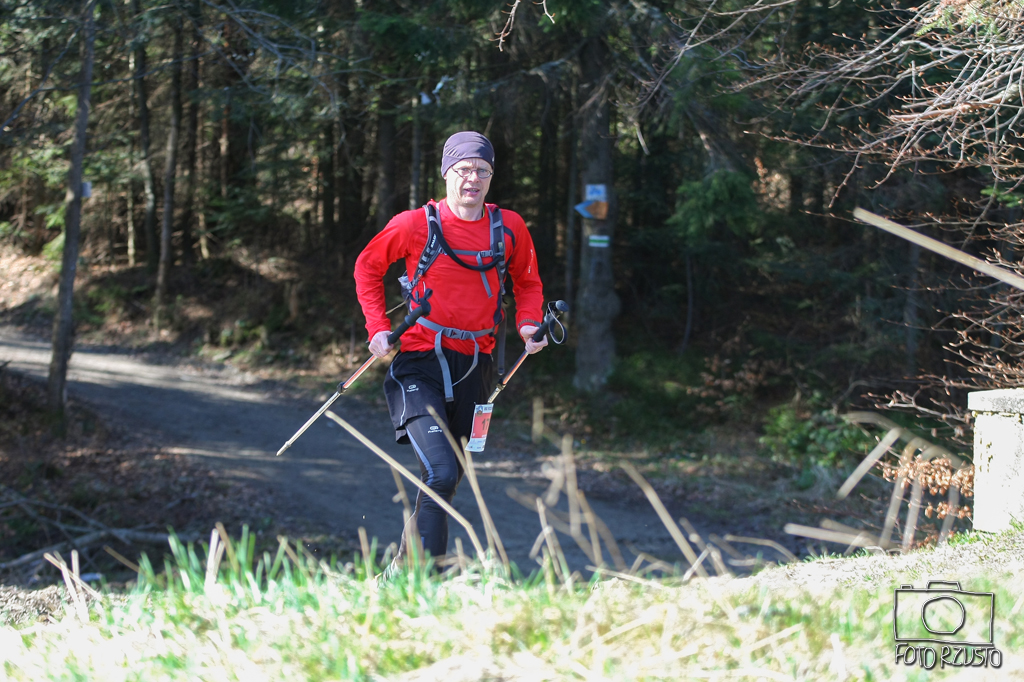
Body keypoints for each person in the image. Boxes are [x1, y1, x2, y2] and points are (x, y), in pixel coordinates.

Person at [353, 131, 547, 577]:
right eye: (463, 169)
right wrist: (377, 327)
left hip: (477, 365)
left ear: (491, 177)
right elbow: (367, 266)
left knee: (447, 478)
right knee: (440, 471)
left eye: (482, 170)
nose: (472, 179)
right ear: (446, 173)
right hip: (419, 362)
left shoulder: (509, 227)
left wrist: (528, 323)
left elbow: (528, 281)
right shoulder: (414, 225)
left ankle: (401, 573)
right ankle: (428, 580)